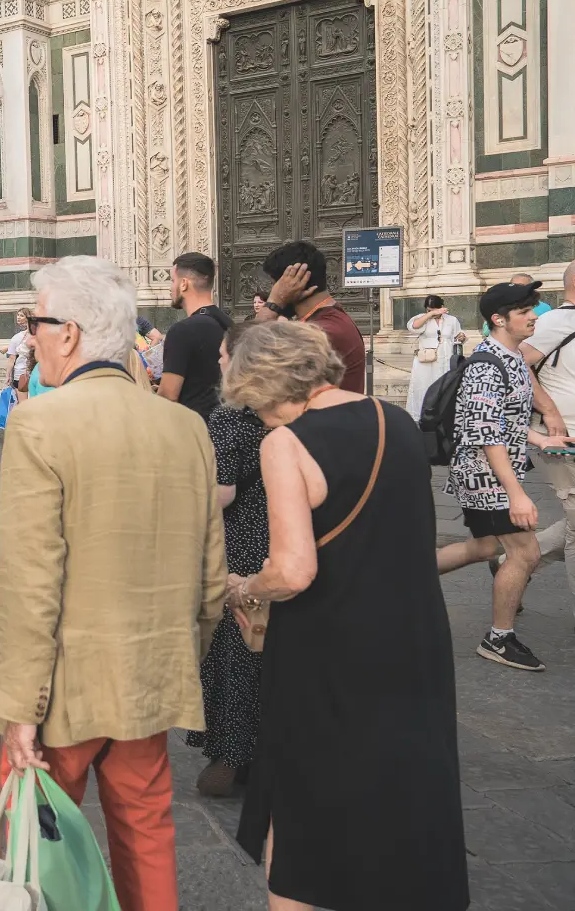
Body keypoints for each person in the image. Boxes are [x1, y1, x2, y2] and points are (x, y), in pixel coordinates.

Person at [0, 256, 225, 911]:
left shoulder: (40, 423)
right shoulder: (185, 427)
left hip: (61, 687)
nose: (31, 333)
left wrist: (19, 708)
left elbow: (30, 584)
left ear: (66, 333)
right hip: (147, 675)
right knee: (147, 834)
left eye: (35, 320)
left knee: (36, 848)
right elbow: (210, 581)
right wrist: (174, 656)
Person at [223, 320, 469, 911]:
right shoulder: (396, 419)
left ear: (262, 382)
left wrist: (244, 588)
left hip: (328, 649)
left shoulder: (286, 443)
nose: (256, 414)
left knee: (306, 798)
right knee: (404, 789)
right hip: (413, 640)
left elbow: (293, 570)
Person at [437, 281, 570, 671]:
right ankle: (498, 638)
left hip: (488, 471)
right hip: (485, 476)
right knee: (524, 552)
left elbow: (503, 419)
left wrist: (540, 439)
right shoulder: (486, 365)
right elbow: (484, 431)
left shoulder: (510, 357)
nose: (535, 315)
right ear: (499, 319)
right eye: (525, 311)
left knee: (483, 549)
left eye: (534, 308)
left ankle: (403, 577)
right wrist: (515, 493)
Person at [186, 324, 268, 798]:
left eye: (222, 354)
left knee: (235, 648)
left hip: (239, 542)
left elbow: (221, 492)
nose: (218, 362)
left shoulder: (230, 417)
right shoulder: (287, 414)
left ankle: (232, 753)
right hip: (280, 535)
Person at [519, 261, 575, 623]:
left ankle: (516, 561)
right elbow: (514, 363)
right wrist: (548, 408)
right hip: (563, 440)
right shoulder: (554, 322)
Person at [252, 240, 365, 392]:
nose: (273, 291)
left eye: (275, 285)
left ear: (295, 282)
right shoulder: (330, 319)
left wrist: (274, 302)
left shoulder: (321, 333)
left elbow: (248, 361)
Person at [158, 251, 232, 419]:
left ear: (184, 284)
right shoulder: (228, 323)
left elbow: (168, 396)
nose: (171, 288)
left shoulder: (182, 330)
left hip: (192, 429)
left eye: (172, 281)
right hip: (223, 427)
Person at [405, 295, 465, 422]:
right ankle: (422, 415)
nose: (431, 312)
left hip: (446, 356)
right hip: (426, 360)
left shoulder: (451, 320)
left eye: (434, 309)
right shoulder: (421, 318)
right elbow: (413, 326)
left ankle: (444, 414)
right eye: (428, 309)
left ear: (442, 307)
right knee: (424, 386)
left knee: (445, 386)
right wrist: (430, 315)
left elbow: (458, 334)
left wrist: (461, 337)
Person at [3, 307, 32, 400]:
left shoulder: (16, 337)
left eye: (21, 315)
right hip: (32, 373)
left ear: (28, 318)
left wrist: (7, 376)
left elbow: (12, 358)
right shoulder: (37, 335)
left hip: (21, 375)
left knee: (23, 405)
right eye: (18, 315)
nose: (18, 317)